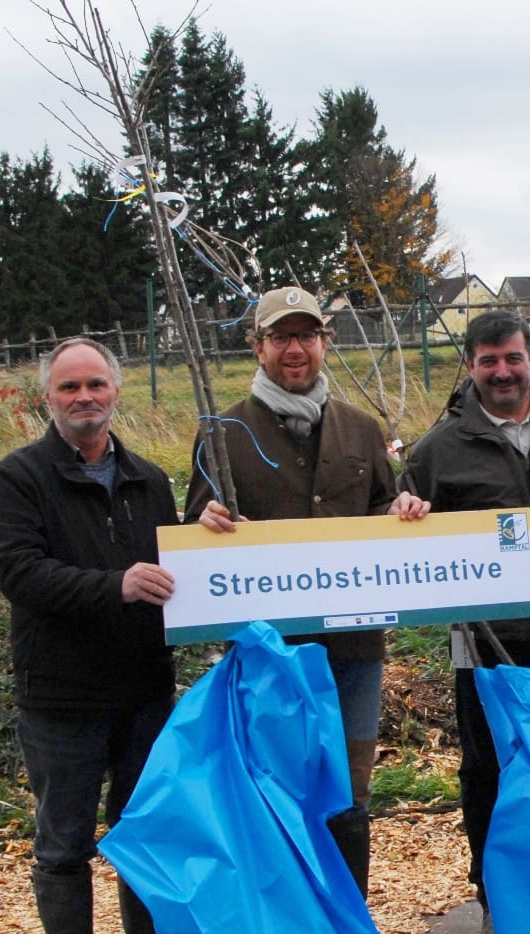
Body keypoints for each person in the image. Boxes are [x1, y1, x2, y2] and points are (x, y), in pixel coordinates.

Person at [0, 337, 213, 934]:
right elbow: (20, 573)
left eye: (95, 385)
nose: (84, 398)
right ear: (48, 397)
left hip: (144, 689)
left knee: (144, 832)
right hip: (61, 698)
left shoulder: (148, 478)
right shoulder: (16, 478)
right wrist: (114, 585)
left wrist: (206, 542)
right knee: (63, 845)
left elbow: (175, 567)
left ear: (116, 392)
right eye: (69, 387)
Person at [185, 286, 429, 898]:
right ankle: (292, 933)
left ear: (324, 343)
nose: (295, 349)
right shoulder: (223, 432)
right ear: (258, 347)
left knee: (350, 792)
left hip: (353, 650)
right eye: (280, 337)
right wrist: (205, 524)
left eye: (306, 336)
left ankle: (352, 933)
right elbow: (192, 534)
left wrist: (401, 507)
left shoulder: (362, 429)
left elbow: (382, 512)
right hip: (270, 653)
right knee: (275, 788)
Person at [397, 310, 530, 934]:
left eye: (513, 358)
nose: (503, 372)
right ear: (470, 365)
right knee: (488, 771)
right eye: (489, 361)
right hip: (484, 640)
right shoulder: (438, 449)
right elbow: (404, 528)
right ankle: (497, 898)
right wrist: (403, 511)